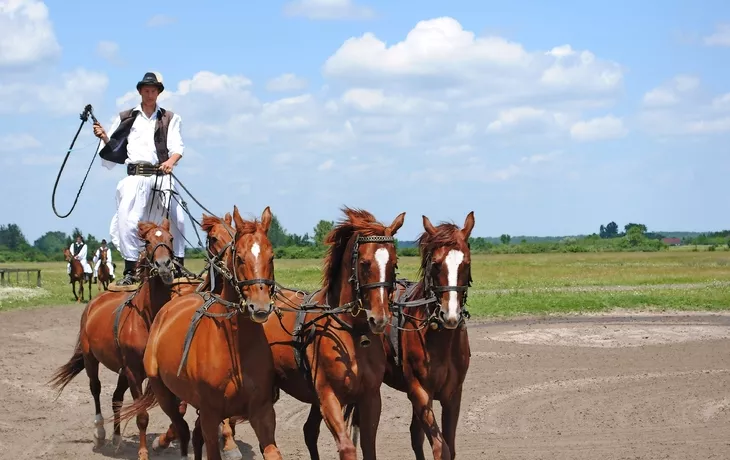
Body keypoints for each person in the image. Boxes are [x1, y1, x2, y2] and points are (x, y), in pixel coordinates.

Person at [92, 71, 187, 286]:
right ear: (140, 92)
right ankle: (131, 268)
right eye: (146, 90)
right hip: (135, 177)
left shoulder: (170, 118)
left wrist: (171, 161)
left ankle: (179, 264)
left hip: (162, 175)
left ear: (158, 93)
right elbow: (116, 148)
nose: (150, 93)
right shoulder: (126, 117)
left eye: (154, 90)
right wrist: (104, 136)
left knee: (178, 217)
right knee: (127, 219)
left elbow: (177, 147)